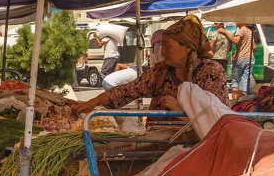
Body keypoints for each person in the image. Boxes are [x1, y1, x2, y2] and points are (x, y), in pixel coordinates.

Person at [73, 14, 229, 116]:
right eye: (161, 45)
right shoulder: (162, 70)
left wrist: (180, 111)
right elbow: (127, 90)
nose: (162, 51)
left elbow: (217, 119)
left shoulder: (212, 72)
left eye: (168, 46)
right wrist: (92, 103)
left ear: (187, 47)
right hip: (158, 143)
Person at [223, 22, 255, 95]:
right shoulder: (250, 31)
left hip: (241, 58)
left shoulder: (241, 30)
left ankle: (235, 100)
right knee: (245, 80)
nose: (235, 22)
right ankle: (244, 98)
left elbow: (236, 41)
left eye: (237, 20)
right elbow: (254, 47)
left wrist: (226, 33)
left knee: (235, 80)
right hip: (250, 58)